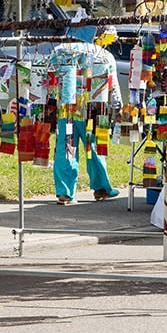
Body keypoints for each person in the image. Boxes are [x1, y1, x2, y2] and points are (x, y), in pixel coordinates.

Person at [47, 31, 123, 205]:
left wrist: (49, 104)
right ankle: (101, 188)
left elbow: (49, 78)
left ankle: (65, 193)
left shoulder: (59, 50)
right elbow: (113, 85)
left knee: (66, 148)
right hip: (96, 109)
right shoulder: (105, 55)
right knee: (95, 148)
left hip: (67, 109)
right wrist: (117, 107)